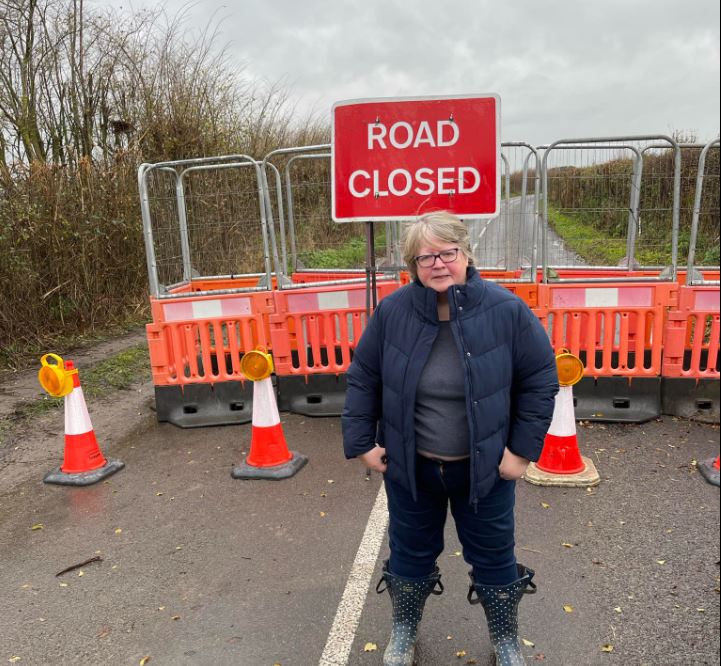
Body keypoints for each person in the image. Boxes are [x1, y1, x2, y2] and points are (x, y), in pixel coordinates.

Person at [342, 211, 559, 666]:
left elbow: (540, 379)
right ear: (412, 265)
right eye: (425, 257)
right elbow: (363, 377)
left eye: (447, 253)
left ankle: (505, 639)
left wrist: (521, 452)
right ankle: (403, 632)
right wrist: (362, 442)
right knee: (409, 554)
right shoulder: (393, 313)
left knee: (495, 556)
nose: (438, 264)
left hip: (485, 469)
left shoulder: (506, 310)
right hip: (412, 466)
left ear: (465, 254)